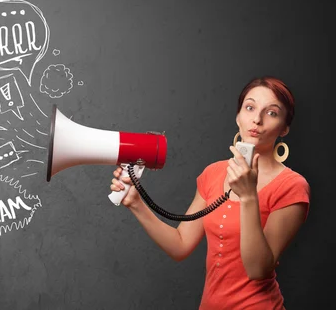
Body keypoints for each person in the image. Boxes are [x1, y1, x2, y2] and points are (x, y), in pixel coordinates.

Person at [110, 76, 310, 310]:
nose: (257, 119)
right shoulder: (214, 173)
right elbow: (181, 245)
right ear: (238, 116)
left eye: (272, 113)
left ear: (284, 127)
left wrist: (248, 197)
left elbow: (258, 269)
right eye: (250, 107)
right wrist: (135, 203)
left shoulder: (291, 186)